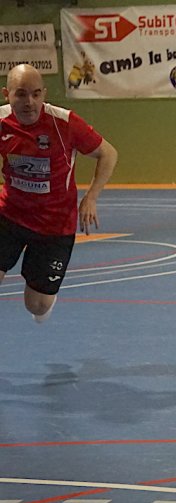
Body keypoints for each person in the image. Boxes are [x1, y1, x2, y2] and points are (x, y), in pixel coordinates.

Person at [0, 63, 118, 323]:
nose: (29, 102)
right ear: (7, 94)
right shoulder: (1, 122)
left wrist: (92, 196)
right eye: (20, 94)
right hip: (9, 215)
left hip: (54, 224)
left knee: (37, 306)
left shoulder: (64, 123)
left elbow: (108, 153)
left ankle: (43, 299)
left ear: (43, 93)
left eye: (35, 94)